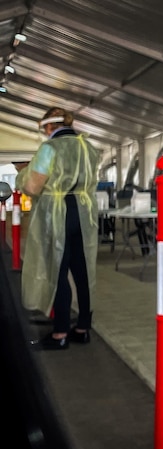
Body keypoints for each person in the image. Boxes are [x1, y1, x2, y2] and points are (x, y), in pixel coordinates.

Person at [16, 107, 100, 350]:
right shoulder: (89, 147)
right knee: (83, 272)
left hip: (57, 211)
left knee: (57, 270)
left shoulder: (49, 149)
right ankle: (83, 327)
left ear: (49, 126)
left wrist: (23, 175)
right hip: (84, 211)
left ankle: (60, 333)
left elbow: (33, 186)